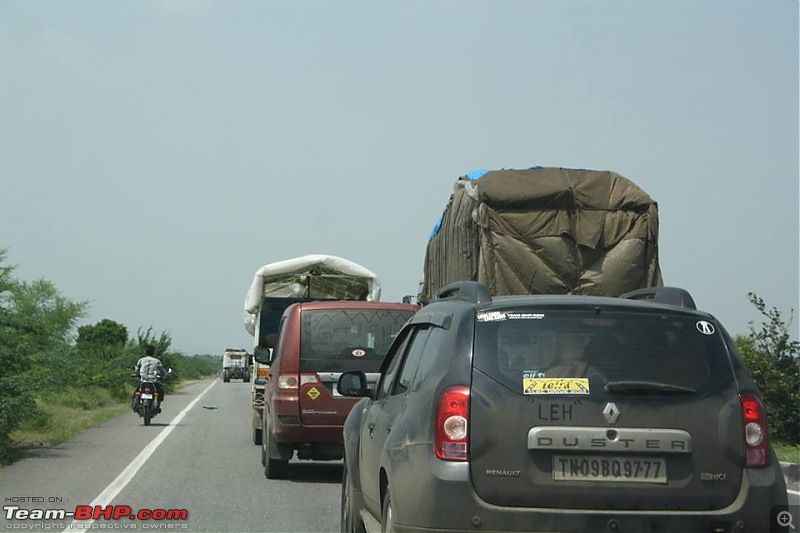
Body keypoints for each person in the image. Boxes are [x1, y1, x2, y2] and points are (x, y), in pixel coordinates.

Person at [133, 345, 167, 412]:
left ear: (145, 352)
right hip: (153, 381)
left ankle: (135, 405)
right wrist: (163, 375)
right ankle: (158, 406)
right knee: (160, 392)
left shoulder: (141, 360)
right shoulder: (157, 361)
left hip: (143, 381)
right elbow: (162, 371)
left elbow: (136, 370)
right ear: (153, 352)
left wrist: (136, 374)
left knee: (136, 392)